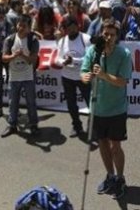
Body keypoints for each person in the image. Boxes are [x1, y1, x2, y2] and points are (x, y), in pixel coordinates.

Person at [81, 20, 132, 200]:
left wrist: (102, 75)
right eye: (105, 34)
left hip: (116, 109)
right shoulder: (93, 51)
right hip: (98, 108)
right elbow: (84, 72)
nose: (108, 37)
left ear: (117, 36)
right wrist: (86, 77)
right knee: (102, 143)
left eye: (111, 34)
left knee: (115, 146)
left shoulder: (124, 54)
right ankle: (110, 175)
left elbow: (122, 81)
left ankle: (120, 178)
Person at [0, 15, 40, 138]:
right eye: (19, 25)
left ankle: (33, 125)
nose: (21, 28)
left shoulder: (33, 40)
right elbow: (4, 58)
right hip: (14, 77)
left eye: (24, 26)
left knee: (31, 102)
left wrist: (22, 55)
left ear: (29, 28)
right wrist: (13, 56)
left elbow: (32, 60)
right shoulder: (9, 40)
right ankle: (12, 125)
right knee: (12, 103)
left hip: (28, 77)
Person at [56, 15, 91, 137]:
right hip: (67, 77)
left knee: (91, 102)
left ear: (78, 26)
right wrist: (63, 62)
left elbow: (89, 58)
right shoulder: (62, 41)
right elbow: (57, 59)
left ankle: (92, 125)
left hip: (83, 76)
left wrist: (74, 61)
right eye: (68, 28)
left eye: (73, 27)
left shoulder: (85, 39)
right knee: (71, 104)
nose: (71, 30)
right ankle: (77, 125)